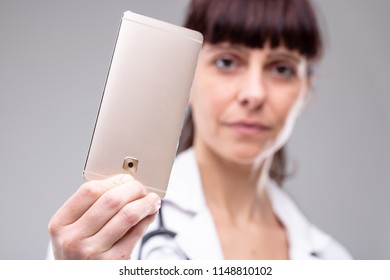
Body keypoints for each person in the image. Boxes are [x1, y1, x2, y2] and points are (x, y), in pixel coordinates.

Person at [47, 0, 351, 260]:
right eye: (227, 62)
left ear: (306, 89)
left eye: (281, 68)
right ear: (188, 78)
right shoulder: (96, 236)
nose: (254, 93)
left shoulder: (333, 259)